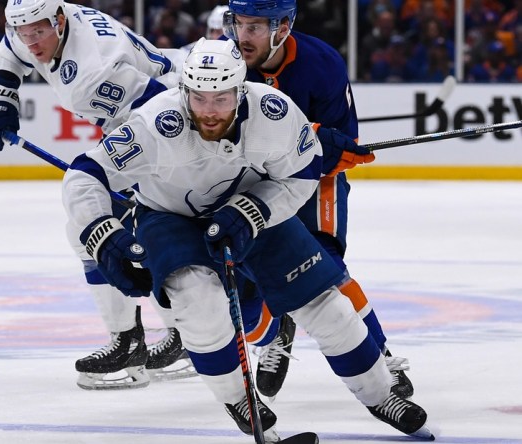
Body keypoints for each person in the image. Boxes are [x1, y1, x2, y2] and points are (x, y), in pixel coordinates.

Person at [61, 38, 434, 440]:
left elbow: (303, 174)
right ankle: (240, 400)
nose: (208, 110)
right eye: (198, 97)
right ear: (183, 91)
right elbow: (85, 174)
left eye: (220, 98)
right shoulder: (156, 122)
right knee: (197, 301)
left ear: (241, 89)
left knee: (326, 304)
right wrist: (100, 232)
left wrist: (255, 210)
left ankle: (380, 396)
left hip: (251, 206)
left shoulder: (274, 113)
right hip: (169, 215)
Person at [0, 0, 194, 390]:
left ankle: (149, 340)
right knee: (105, 228)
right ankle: (167, 337)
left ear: (58, 21)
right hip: (142, 111)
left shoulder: (92, 72)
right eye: (25, 31)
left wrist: (149, 179)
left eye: (38, 31)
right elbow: (12, 48)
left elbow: (161, 110)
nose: (31, 41)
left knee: (107, 227)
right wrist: (2, 87)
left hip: (169, 118)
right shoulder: (40, 20)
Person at [223, 0, 414, 403]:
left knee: (327, 267)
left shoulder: (322, 64)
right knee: (247, 278)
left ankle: (377, 357)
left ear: (284, 26)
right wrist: (304, 134)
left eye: (255, 26)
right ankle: (277, 332)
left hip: (314, 178)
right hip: (252, 182)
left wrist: (331, 147)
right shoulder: (224, 62)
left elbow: (342, 147)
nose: (242, 36)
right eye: (238, 24)